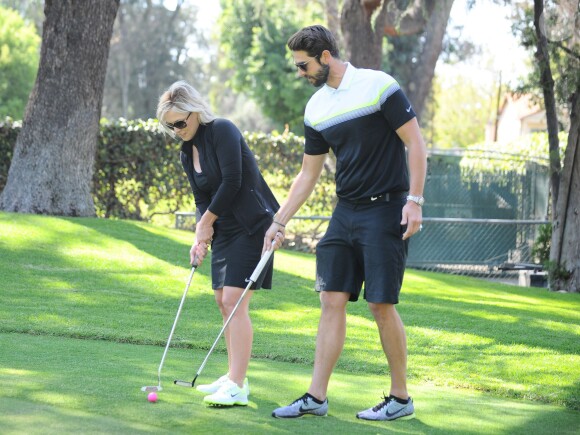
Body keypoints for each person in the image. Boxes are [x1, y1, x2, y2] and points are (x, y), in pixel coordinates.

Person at [264, 25, 427, 421]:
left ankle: (400, 399)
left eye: (303, 65)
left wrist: (415, 201)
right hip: (345, 212)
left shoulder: (378, 86)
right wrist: (279, 221)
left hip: (386, 209)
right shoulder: (315, 109)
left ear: (324, 56)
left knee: (380, 304)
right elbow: (308, 175)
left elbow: (416, 143)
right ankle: (316, 397)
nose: (300, 73)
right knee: (330, 299)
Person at [157, 80, 282, 407]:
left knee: (235, 300)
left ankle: (238, 385)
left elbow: (233, 181)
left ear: (195, 112)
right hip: (225, 230)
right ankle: (231, 376)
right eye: (171, 126)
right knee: (222, 302)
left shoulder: (223, 130)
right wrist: (202, 234)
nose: (178, 130)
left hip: (253, 225)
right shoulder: (187, 153)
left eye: (181, 122)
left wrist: (205, 222)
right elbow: (202, 198)